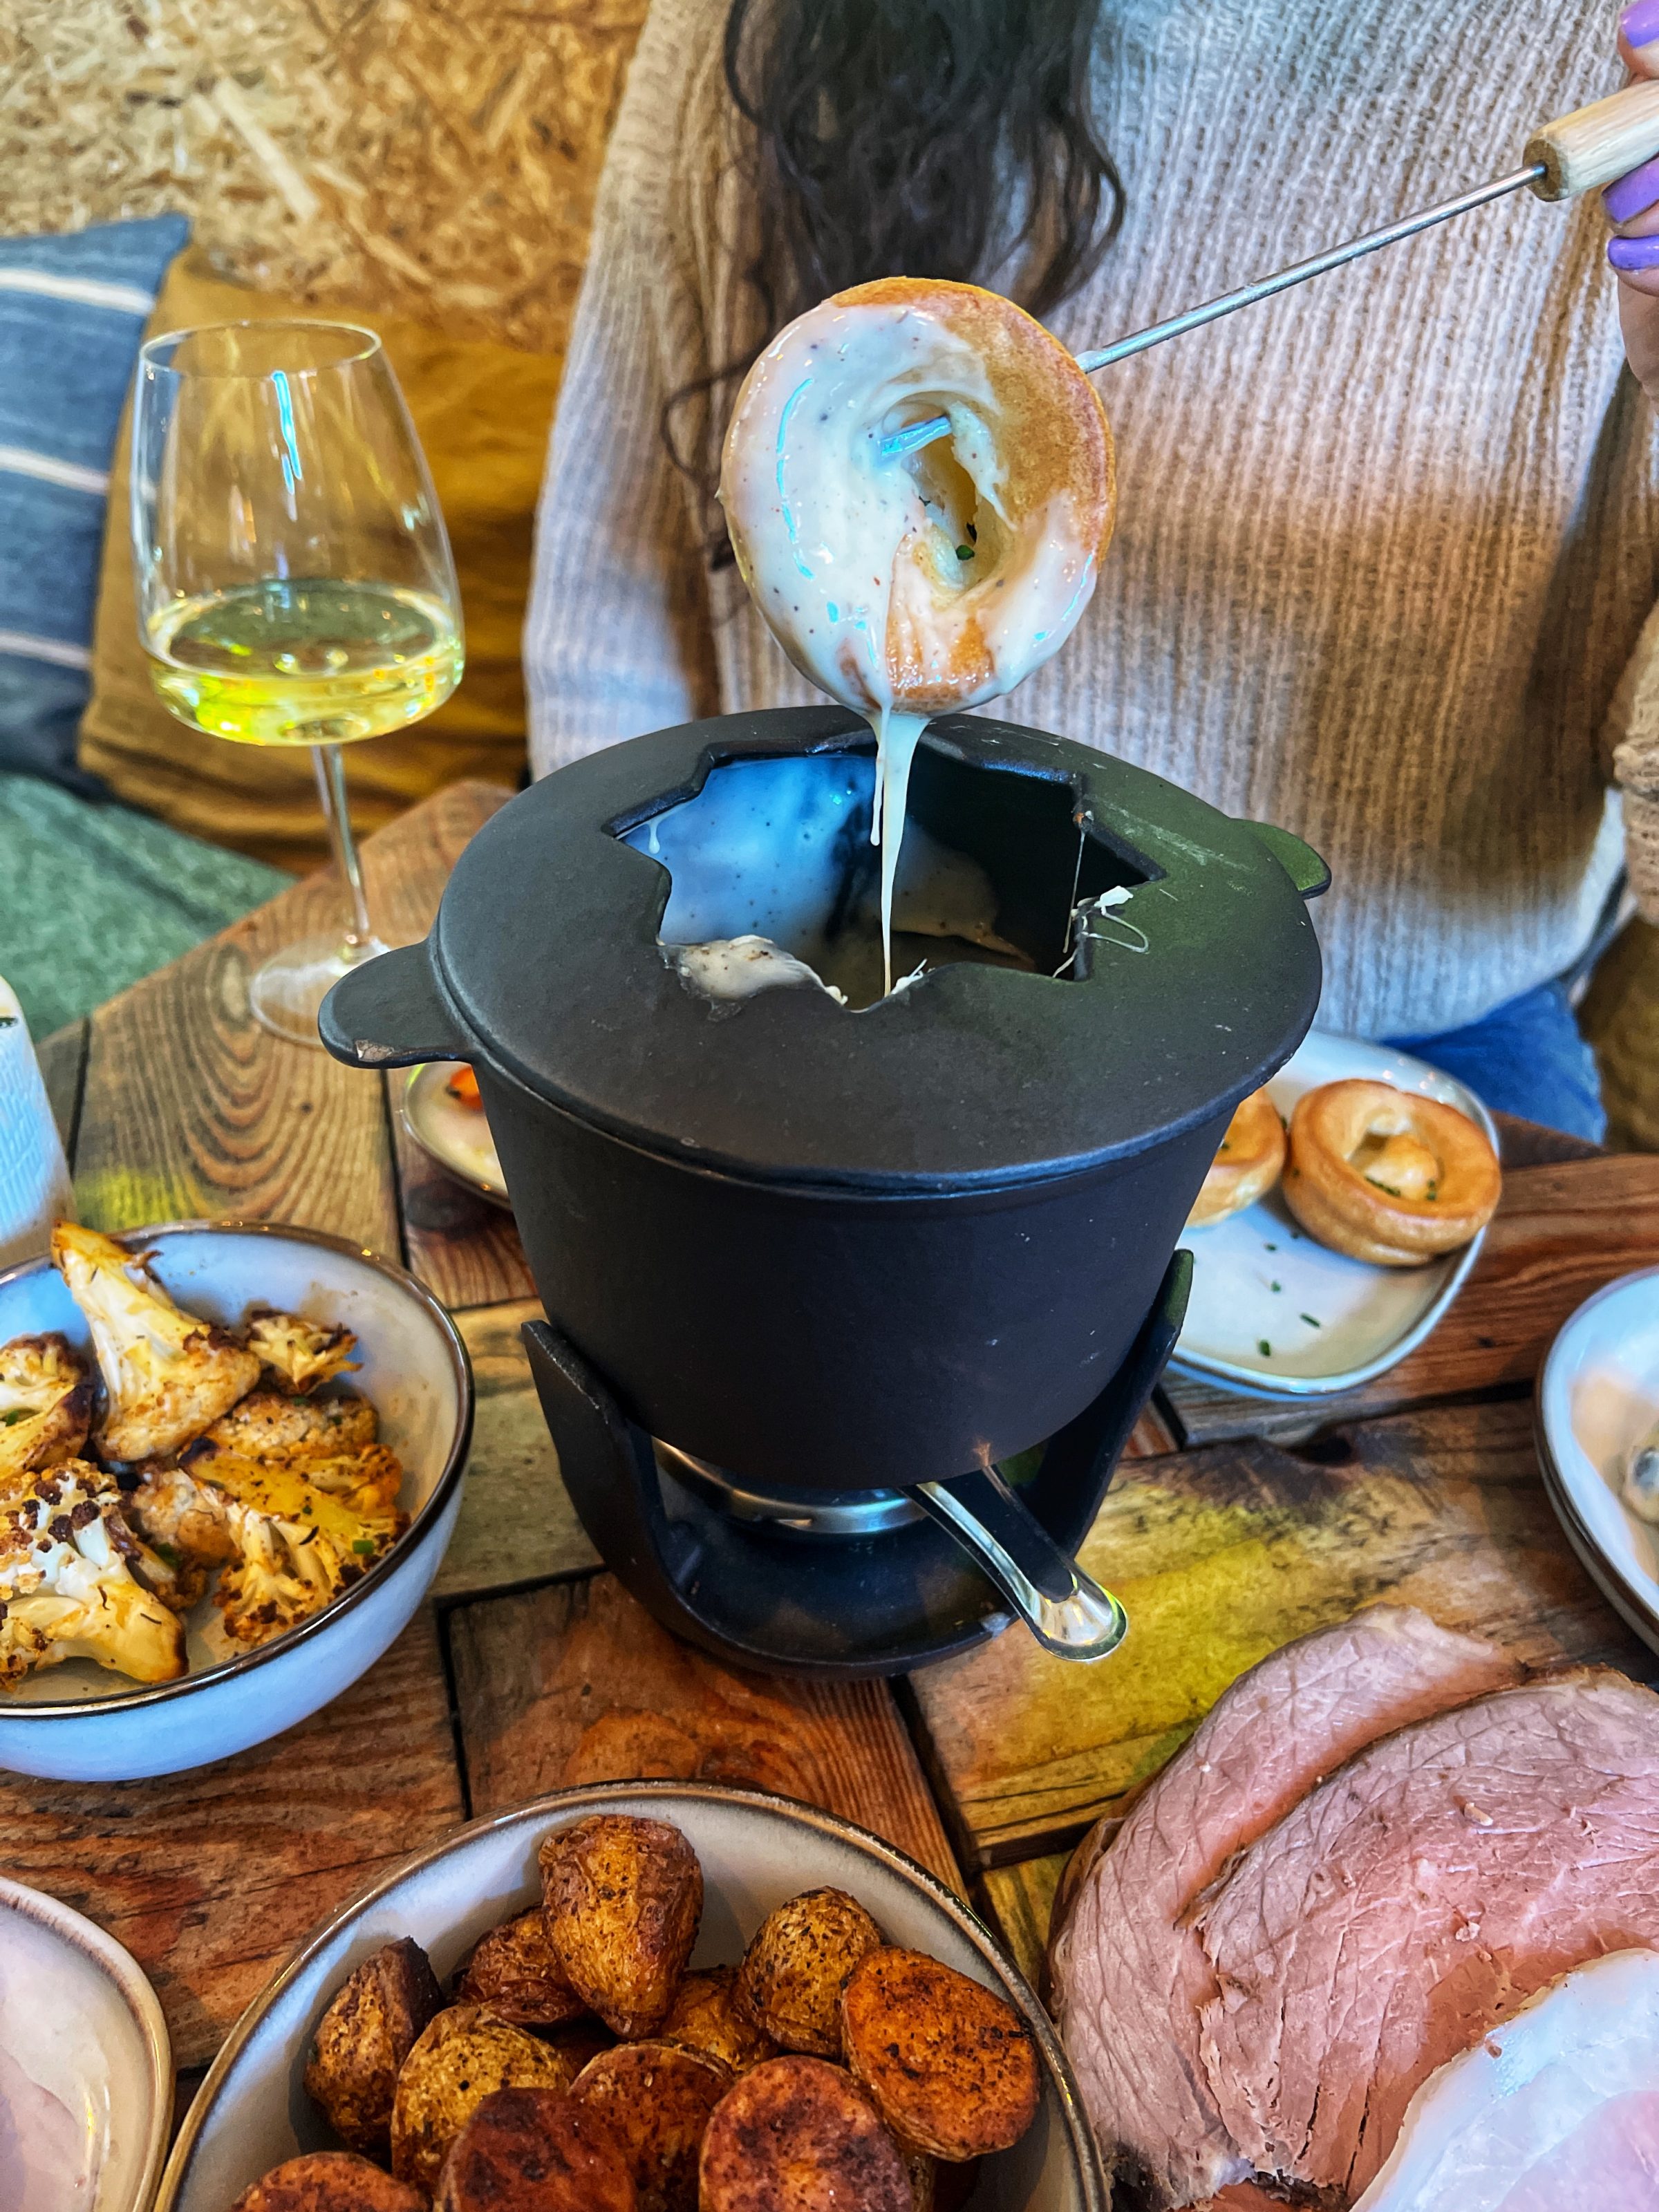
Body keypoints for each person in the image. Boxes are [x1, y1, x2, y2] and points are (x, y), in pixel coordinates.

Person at [525, 0, 1659, 1142]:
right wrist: (620, 982)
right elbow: (608, 617)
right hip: (782, 952)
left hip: (1393, 1033)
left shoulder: (1610, 67)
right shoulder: (763, 23)